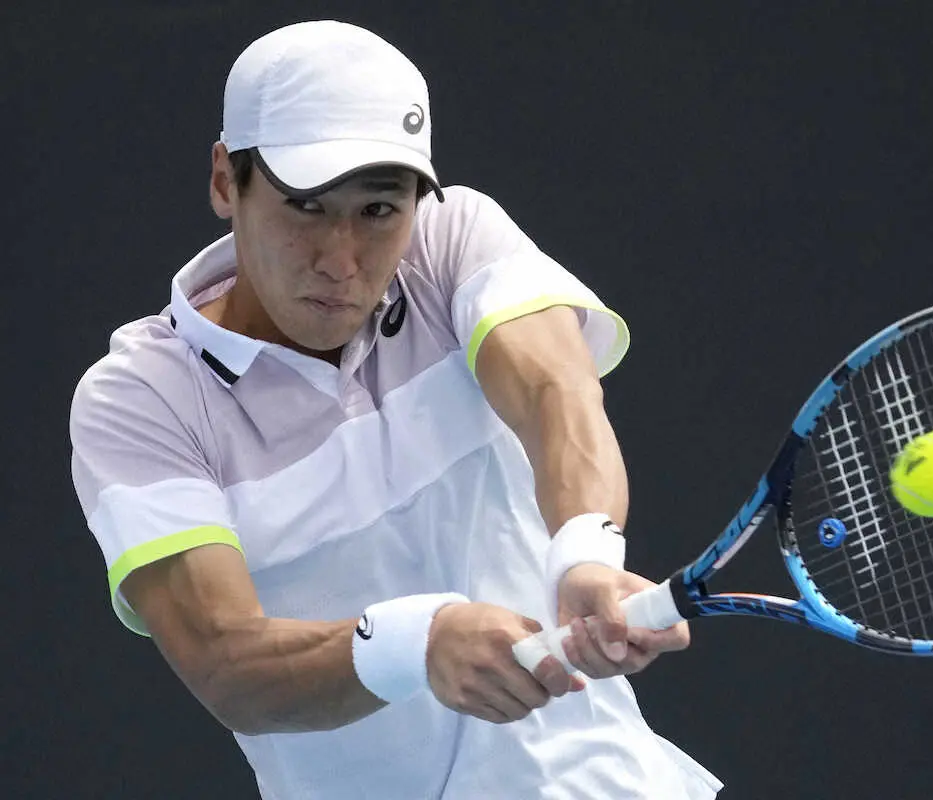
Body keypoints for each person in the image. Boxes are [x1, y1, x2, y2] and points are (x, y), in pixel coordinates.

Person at [68, 19, 722, 800]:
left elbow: (557, 393)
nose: (341, 260)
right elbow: (224, 660)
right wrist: (416, 642)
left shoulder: (451, 243)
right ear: (223, 180)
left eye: (378, 210)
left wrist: (584, 552)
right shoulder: (140, 399)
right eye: (305, 206)